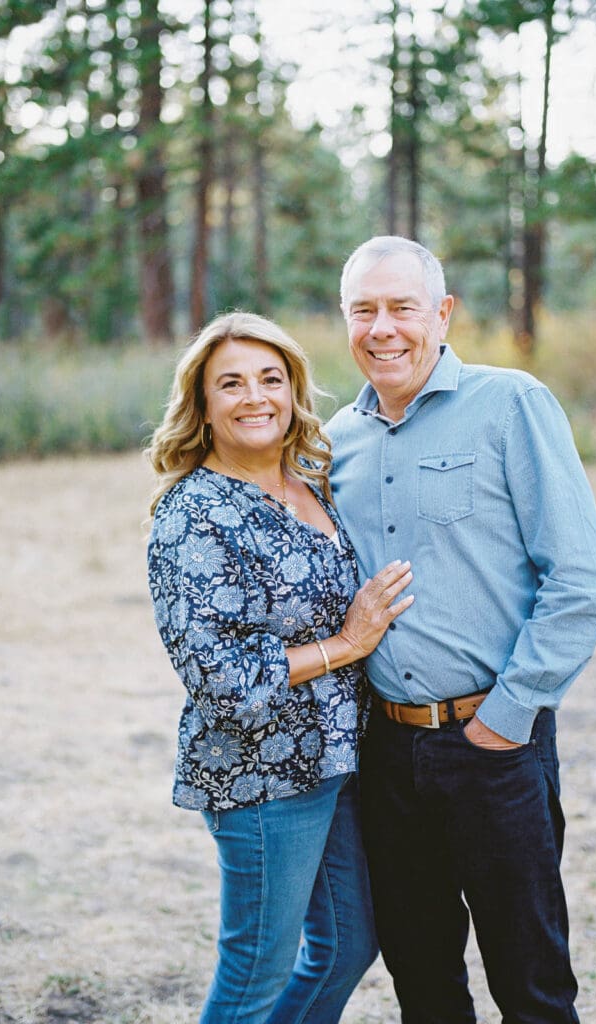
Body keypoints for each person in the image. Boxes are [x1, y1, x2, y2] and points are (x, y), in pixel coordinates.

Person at [327, 236, 596, 1024]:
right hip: (384, 752)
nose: (382, 328)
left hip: (492, 743)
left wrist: (506, 717)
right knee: (422, 982)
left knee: (530, 985)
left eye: (401, 308)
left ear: (442, 313)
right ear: (344, 321)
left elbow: (580, 577)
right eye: (363, 310)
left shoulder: (510, 403)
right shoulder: (333, 443)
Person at [145, 311, 414, 1024]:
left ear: (294, 392)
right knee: (254, 972)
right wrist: (346, 646)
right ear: (201, 405)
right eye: (229, 383)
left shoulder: (308, 483)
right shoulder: (194, 515)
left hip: (336, 758)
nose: (253, 396)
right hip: (261, 775)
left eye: (270, 378)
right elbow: (218, 677)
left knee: (348, 943)